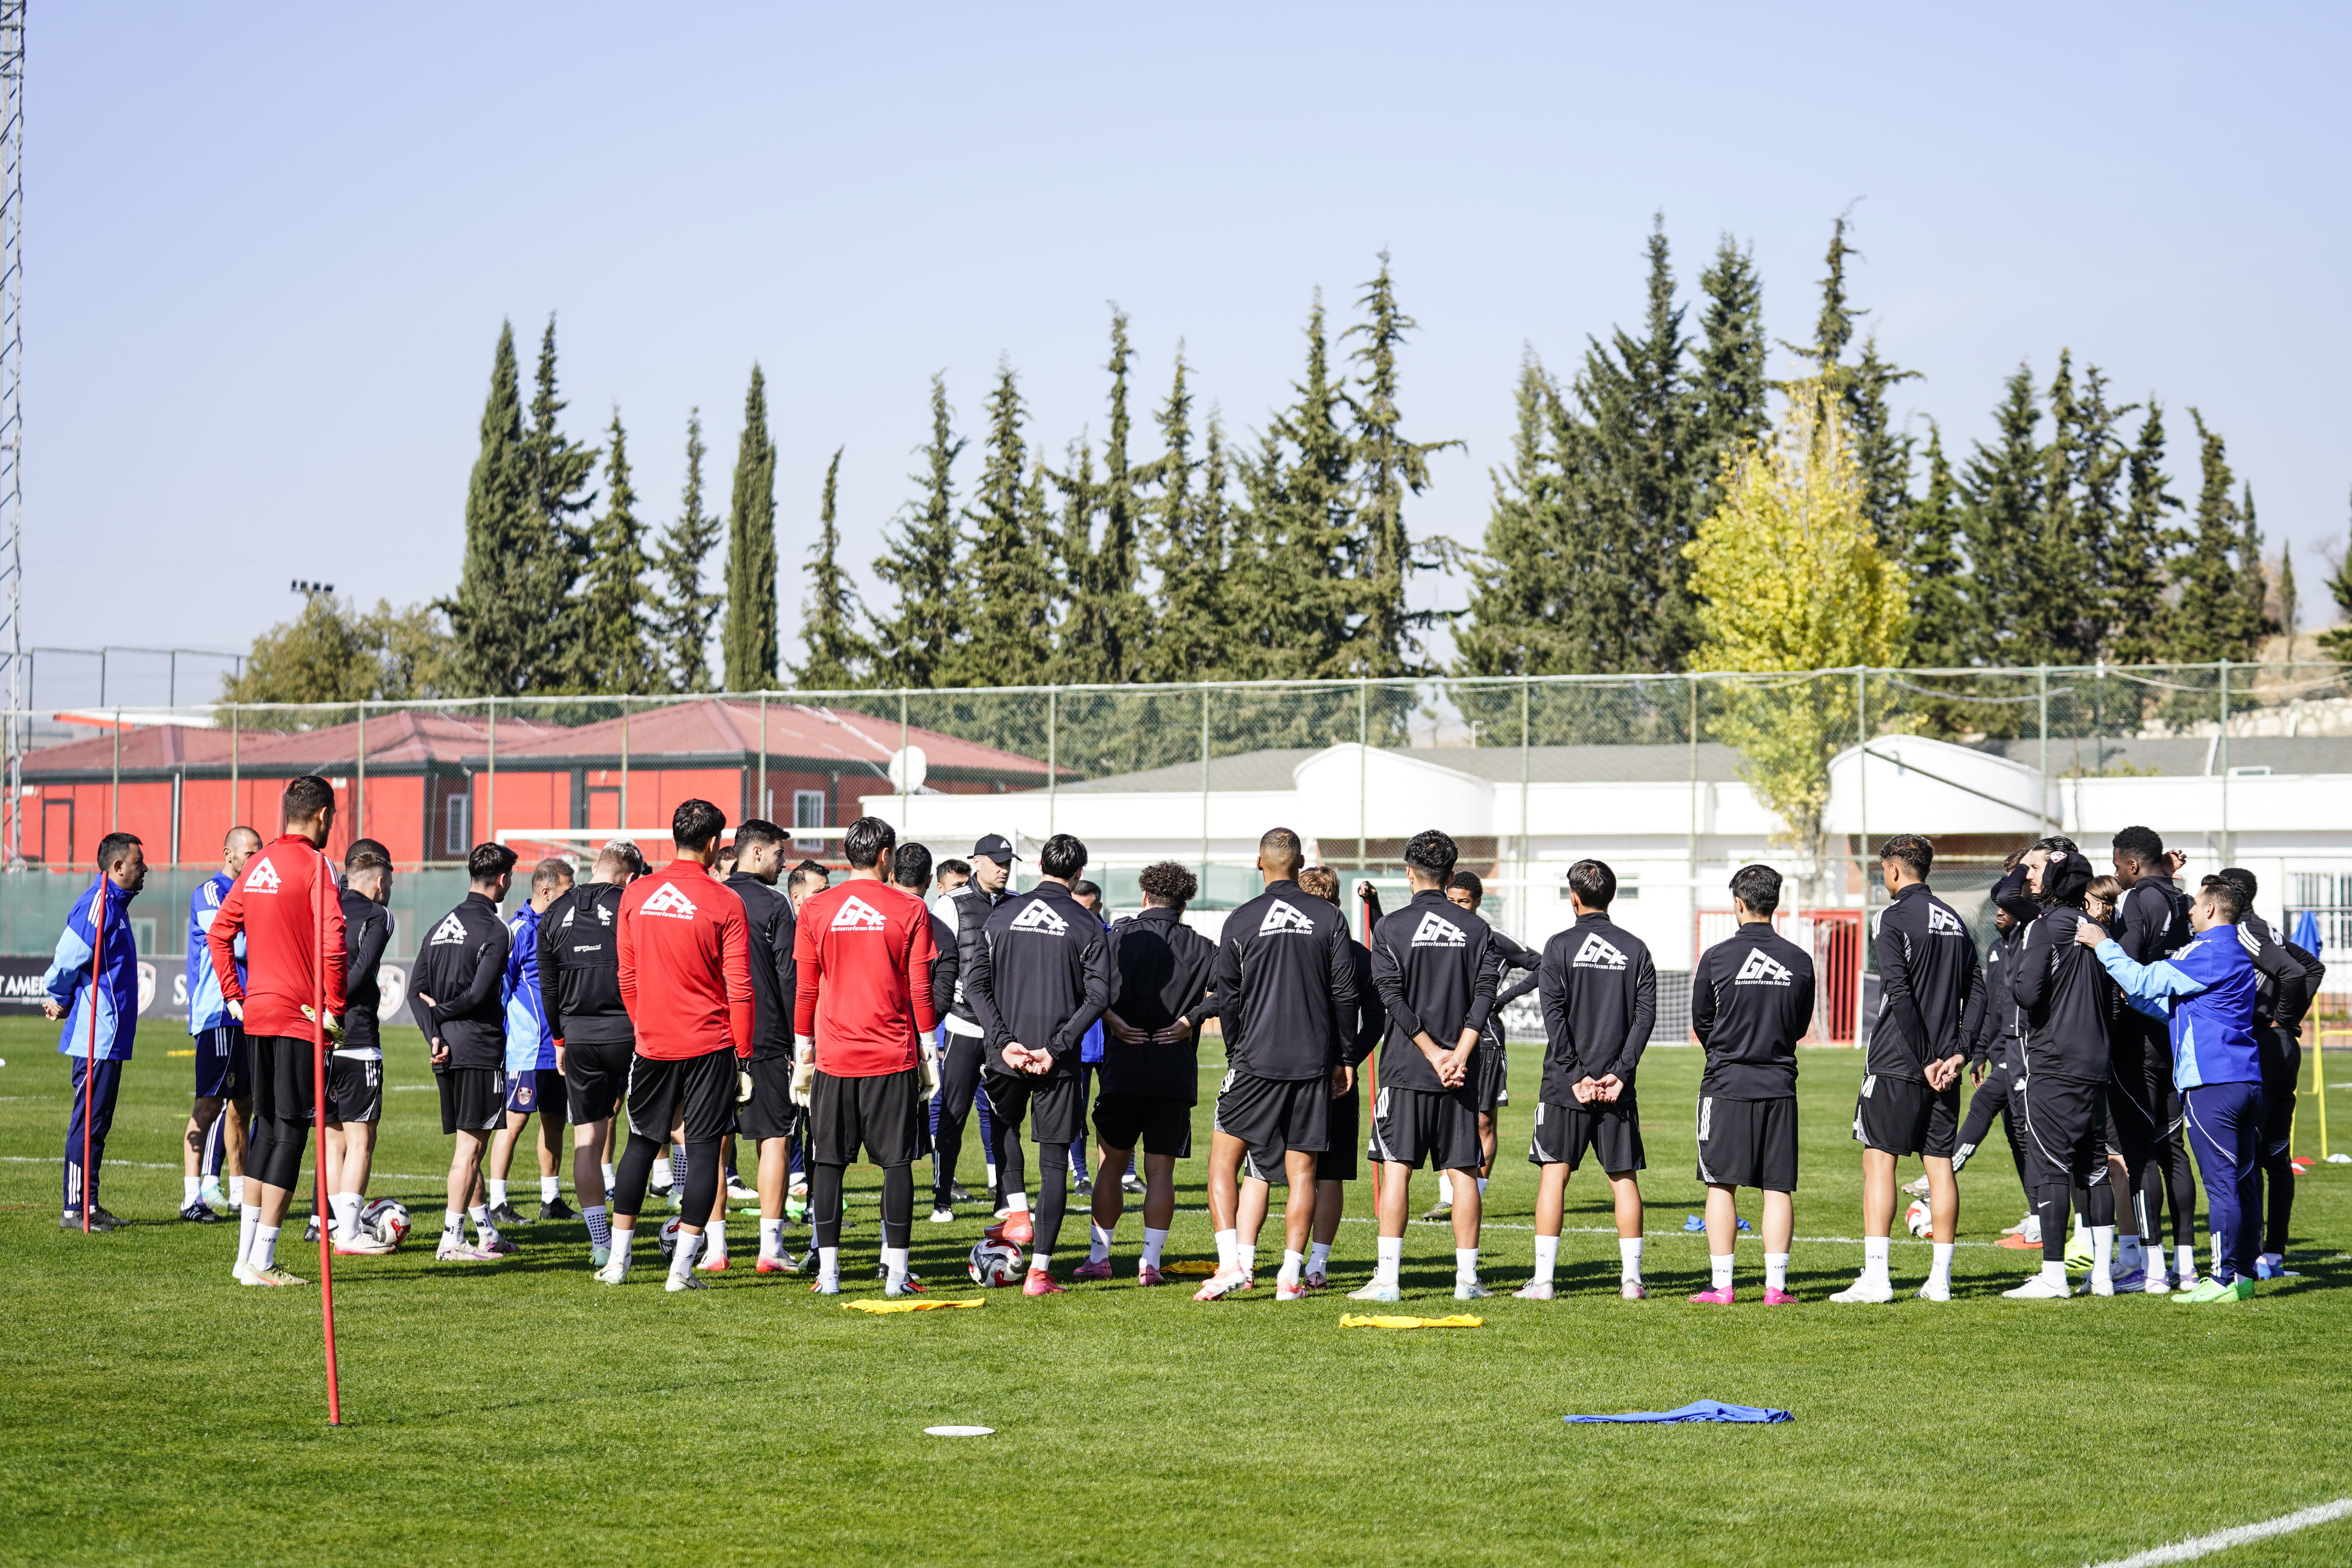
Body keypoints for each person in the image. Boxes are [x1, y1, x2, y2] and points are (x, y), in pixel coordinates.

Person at [2077, 875, 2265, 1303]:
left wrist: (2101, 942)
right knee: (2243, 1181)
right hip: (2246, 1079)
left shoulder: (2207, 950)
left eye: (2196, 906)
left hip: (2212, 1083)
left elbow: (2145, 980)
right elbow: (2182, 1009)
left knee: (2222, 1186)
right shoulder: (2235, 952)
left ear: (2213, 910)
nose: (2191, 912)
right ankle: (2245, 1272)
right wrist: (2136, 998)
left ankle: (2221, 1281)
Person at [1190, 829, 1356, 1302]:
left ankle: (1232, 1266)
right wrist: (1343, 1058)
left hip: (1255, 1061)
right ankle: (1290, 1276)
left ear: (1258, 863)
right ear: (1300, 863)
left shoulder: (1242, 919)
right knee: (1303, 1173)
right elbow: (1343, 993)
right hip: (1311, 1063)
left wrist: (1238, 1050)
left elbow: (1229, 996)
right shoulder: (1329, 916)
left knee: (1225, 1162)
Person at [597, 799, 755, 1292]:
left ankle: (618, 1262)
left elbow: (626, 975)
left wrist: (645, 1023)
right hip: (711, 1044)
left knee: (642, 1143)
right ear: (713, 845)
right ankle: (681, 1271)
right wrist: (744, 1054)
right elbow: (741, 988)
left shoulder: (637, 893)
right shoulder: (726, 901)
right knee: (705, 1149)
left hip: (653, 1043)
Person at [207, 776, 348, 1287]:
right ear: (323, 816)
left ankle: (246, 1258)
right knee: (289, 1130)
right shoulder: (315, 865)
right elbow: (334, 941)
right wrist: (334, 1006)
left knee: (266, 1125)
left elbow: (219, 931)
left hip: (259, 1014)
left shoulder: (259, 864)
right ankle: (262, 1261)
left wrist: (232, 995)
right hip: (297, 1017)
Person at [1831, 833, 1984, 1305]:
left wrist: (1926, 1059)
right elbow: (1979, 989)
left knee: (1878, 1159)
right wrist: (1960, 1053)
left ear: (1895, 870)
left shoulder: (1893, 916)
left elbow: (1898, 993)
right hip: (1946, 1067)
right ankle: (1941, 1280)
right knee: (1939, 1165)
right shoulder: (1957, 921)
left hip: (1901, 1061)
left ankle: (1877, 1278)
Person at [792, 816, 940, 1296]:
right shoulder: (910, 908)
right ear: (885, 856)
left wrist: (803, 1050)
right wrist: (930, 1048)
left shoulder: (815, 908)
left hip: (834, 1057)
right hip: (892, 1055)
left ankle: (830, 1275)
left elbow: (806, 988)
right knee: (897, 1165)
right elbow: (920, 987)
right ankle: (897, 1275)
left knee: (828, 1163)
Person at [1349, 830, 1495, 1303]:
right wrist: (1458, 1054)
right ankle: (1468, 1280)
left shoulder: (1389, 928)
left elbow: (1391, 997)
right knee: (1463, 1172)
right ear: (1452, 876)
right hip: (1459, 1071)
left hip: (1407, 1070)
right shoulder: (1477, 929)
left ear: (1408, 873)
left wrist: (1433, 1055)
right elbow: (1485, 997)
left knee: (1397, 1170)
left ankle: (1389, 1281)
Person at [966, 832, 1111, 1295]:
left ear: (1040, 865)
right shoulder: (1087, 924)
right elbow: (1101, 995)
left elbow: (975, 987)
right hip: (1060, 1062)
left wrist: (1005, 1042)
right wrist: (1058, 1045)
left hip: (1006, 1056)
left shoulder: (1002, 914)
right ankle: (1039, 1273)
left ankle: (1018, 1214)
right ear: (1079, 874)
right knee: (1054, 1164)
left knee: (1005, 1126)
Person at [1521, 857, 1655, 1301]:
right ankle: (1632, 1282)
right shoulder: (1636, 949)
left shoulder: (1558, 946)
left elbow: (1553, 1017)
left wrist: (1577, 1075)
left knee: (1554, 1176)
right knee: (1623, 1179)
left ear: (1574, 897)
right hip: (1617, 1089)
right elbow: (1644, 1018)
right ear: (1611, 896)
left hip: (1565, 1087)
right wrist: (1619, 1073)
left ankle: (1543, 1282)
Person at [1081, 860, 1217, 1286]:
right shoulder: (1202, 946)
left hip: (1123, 1067)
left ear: (1145, 896)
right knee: (1161, 1172)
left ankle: (1100, 1257)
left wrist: (1109, 1017)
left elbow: (1086, 986)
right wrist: (1191, 1019)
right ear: (1185, 904)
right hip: (1173, 1072)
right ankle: (1150, 1264)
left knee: (1110, 1165)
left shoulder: (1117, 936)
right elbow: (1234, 990)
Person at [1688, 863, 1813, 1305]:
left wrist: (1726, 1048)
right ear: (1773, 903)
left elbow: (1702, 1018)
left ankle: (1723, 1286)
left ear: (1738, 904)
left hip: (1726, 1084)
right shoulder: (1799, 960)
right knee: (1777, 1187)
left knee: (1721, 1184)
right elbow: (1799, 1025)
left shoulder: (1717, 957)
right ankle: (1776, 1288)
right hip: (1780, 1085)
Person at [2001, 838, 2119, 1299]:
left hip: (2055, 1060)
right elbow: (2112, 998)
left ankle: (2053, 1276)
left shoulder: (2045, 927)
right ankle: (2103, 1276)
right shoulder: (2093, 927)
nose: (2030, 877)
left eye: (2037, 872)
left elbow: (2027, 993)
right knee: (2094, 1168)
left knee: (2049, 1164)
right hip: (2096, 1060)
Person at [2211, 867, 2323, 1281]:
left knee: (2251, 1153)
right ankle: (2272, 1254)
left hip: (2267, 1046)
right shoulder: (2265, 928)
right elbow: (2314, 967)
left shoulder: (2244, 930)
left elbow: (2297, 972)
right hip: (2281, 1047)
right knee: (2276, 1154)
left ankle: (2253, 1256)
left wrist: (2281, 1020)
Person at [411, 843, 519, 1263]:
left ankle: (485, 1232)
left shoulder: (438, 925)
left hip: (447, 1050)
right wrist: (447, 1012)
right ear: (504, 879)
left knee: (466, 1145)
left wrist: (434, 1033)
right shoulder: (497, 930)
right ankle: (451, 1238)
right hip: (478, 1048)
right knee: (471, 1151)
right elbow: (478, 995)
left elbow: (413, 991)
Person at [541, 838, 642, 1268]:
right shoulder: (633, 904)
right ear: (631, 876)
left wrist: (560, 1040)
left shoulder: (555, 911)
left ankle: (601, 1241)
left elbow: (549, 988)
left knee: (587, 1138)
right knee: (669, 1124)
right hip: (631, 1032)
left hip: (579, 1036)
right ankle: (686, 1210)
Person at [2107, 826, 2198, 1291]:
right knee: (2174, 1152)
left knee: (2140, 1154)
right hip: (2177, 1037)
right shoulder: (2186, 900)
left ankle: (2154, 1269)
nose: (2116, 872)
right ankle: (2187, 1266)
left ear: (2134, 865)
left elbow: (2126, 966)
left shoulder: (2136, 899)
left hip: (2138, 1039)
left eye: (2119, 864)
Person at [46, 831, 147, 1234]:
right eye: (139, 863)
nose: (146, 869)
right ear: (117, 867)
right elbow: (69, 957)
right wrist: (58, 995)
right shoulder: (99, 904)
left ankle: (89, 1202)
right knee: (87, 1121)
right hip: (96, 1036)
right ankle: (74, 1208)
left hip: (111, 1036)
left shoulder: (116, 907)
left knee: (98, 1123)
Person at [1425, 870, 1537, 1221]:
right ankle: (1448, 1200)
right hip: (1444, 1040)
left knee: (1484, 1123)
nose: (1457, 907)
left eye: (1465, 902)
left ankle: (1472, 1196)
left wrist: (1502, 999)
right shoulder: (1437, 933)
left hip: (1486, 1041)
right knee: (1446, 1119)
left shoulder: (1493, 937)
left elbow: (1544, 966)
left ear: (1478, 902)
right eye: (1452, 900)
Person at [726, 820, 803, 1274]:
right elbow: (788, 978)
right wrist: (800, 1039)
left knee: (712, 1140)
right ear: (756, 853)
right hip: (765, 1038)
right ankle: (770, 1248)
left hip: (713, 1038)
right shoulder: (774, 904)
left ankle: (714, 1247)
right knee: (774, 1138)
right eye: (778, 854)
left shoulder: (712, 896)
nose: (784, 862)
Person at [1953, 854, 2038, 1247]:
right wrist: (1980, 1051)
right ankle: (2036, 1212)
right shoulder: (1998, 949)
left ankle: (1941, 1174)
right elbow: (1990, 1005)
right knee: (2015, 1133)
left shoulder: (2036, 936)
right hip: (2005, 1047)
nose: (1999, 909)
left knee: (1989, 1104)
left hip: (2029, 1049)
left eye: (2007, 902)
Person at [488, 858, 575, 1229]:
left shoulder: (562, 927)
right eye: (567, 892)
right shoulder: (519, 930)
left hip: (557, 1046)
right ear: (545, 891)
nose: (573, 899)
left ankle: (550, 1198)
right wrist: (502, 1038)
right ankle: (497, 1202)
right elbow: (501, 987)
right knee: (514, 1122)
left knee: (555, 1122)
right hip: (525, 1047)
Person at [320, 838, 397, 1255]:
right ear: (380, 881)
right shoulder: (379, 915)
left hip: (321, 1038)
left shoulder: (326, 908)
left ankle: (334, 1226)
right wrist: (336, 1003)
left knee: (334, 1139)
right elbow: (361, 971)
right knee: (362, 1139)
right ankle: (349, 1234)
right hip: (357, 1037)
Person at [886, 840, 958, 1267]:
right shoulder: (941, 931)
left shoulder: (866, 919)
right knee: (899, 1159)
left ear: (892, 875)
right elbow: (942, 998)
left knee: (831, 1158)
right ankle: (892, 1260)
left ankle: (826, 1259)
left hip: (848, 1049)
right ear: (931, 883)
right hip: (908, 1053)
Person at [931, 835, 1011, 1218]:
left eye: (1008, 861)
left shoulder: (1017, 906)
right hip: (963, 1025)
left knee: (1003, 1116)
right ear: (977, 861)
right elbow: (940, 966)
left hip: (1004, 1033)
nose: (1004, 868)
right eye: (996, 861)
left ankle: (1004, 1198)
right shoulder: (951, 904)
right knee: (953, 1114)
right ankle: (941, 1197)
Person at [182, 826, 260, 1222]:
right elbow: (235, 943)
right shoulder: (211, 892)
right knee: (209, 1103)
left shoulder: (251, 893)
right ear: (229, 854)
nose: (257, 859)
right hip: (219, 1011)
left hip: (250, 1012)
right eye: (250, 852)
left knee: (243, 1104)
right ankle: (190, 1197)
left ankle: (240, 1193)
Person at [1067, 878, 1109, 1197]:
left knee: (1117, 1110)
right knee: (1075, 1111)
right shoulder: (1065, 938)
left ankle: (1125, 1172)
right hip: (1076, 1039)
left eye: (1089, 910)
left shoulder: (1113, 938)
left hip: (1111, 1039)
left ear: (1099, 907)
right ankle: (1080, 1174)